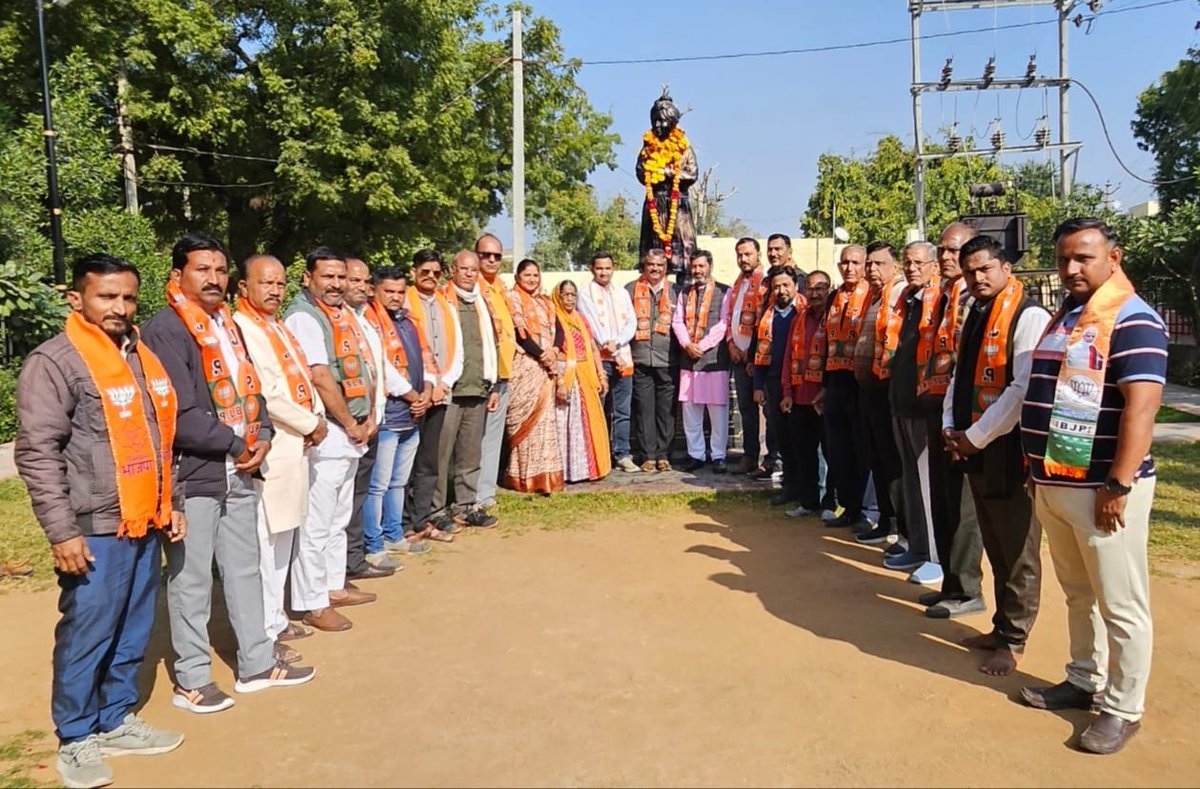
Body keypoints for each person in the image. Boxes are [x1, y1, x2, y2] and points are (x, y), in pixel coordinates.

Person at [17, 254, 186, 789]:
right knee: (88, 630)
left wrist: (172, 499)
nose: (119, 308)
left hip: (144, 518)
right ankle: (76, 737)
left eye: (128, 298)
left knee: (133, 627)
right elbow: (38, 452)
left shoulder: (139, 356)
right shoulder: (56, 362)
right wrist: (62, 531)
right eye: (106, 297)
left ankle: (115, 717)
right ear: (77, 299)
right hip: (92, 525)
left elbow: (161, 435)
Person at [143, 233, 313, 714]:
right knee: (192, 578)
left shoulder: (225, 326)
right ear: (177, 276)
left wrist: (261, 437)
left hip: (240, 468)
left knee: (244, 568)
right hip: (194, 474)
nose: (213, 278)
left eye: (220, 270)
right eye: (203, 269)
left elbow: (250, 388)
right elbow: (180, 412)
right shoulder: (167, 331)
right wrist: (239, 444)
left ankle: (257, 664)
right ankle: (192, 680)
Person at [1018, 218, 1168, 755]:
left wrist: (1119, 483)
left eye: (1083, 258)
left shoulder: (1133, 319)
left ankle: (1123, 707)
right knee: (1079, 594)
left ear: (1114, 257)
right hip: (1055, 482)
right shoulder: (1068, 317)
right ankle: (1083, 678)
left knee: (1121, 603)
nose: (1071, 269)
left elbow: (1142, 407)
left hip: (1103, 490)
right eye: (1063, 259)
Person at [942, 235, 1050, 675]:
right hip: (976, 443)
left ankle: (1015, 639)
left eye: (985, 269)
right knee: (994, 542)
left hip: (1010, 449)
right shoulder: (977, 312)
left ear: (1006, 268)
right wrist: (951, 424)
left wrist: (977, 436)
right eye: (970, 272)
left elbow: (1021, 390)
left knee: (1019, 547)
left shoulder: (1028, 315)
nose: (977, 277)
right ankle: (1001, 625)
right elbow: (959, 374)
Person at [233, 255, 328, 654]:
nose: (274, 290)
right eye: (265, 283)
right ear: (243, 288)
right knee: (267, 539)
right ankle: (267, 627)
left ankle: (276, 617)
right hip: (274, 445)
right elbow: (267, 393)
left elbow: (303, 380)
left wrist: (316, 418)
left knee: (285, 536)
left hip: (298, 444)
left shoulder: (276, 327)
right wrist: (311, 423)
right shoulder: (242, 328)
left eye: (279, 283)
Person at [283, 247, 378, 633]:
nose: (337, 284)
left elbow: (364, 367)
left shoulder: (340, 316)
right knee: (317, 522)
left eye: (341, 277)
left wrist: (369, 415)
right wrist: (349, 422)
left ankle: (333, 585)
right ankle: (311, 601)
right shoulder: (305, 317)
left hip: (352, 431)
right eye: (328, 277)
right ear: (308, 278)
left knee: (338, 517)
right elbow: (320, 377)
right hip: (330, 432)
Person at [917, 222, 985, 619]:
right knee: (943, 501)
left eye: (952, 250)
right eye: (941, 250)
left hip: (964, 413)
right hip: (938, 405)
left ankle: (968, 590)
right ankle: (950, 582)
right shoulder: (943, 295)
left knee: (962, 507)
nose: (945, 257)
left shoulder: (973, 298)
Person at [357, 266, 433, 564]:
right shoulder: (369, 322)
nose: (395, 297)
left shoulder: (407, 321)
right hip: (389, 414)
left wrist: (426, 391)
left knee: (399, 481)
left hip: (412, 415)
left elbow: (426, 359)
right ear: (375, 290)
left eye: (401, 292)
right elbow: (383, 368)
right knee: (378, 484)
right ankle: (374, 545)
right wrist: (414, 396)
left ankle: (394, 534)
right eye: (389, 291)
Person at [344, 256, 412, 576]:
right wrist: (411, 393)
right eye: (352, 280)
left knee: (385, 484)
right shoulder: (348, 319)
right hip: (357, 421)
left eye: (363, 281)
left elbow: (378, 368)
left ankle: (379, 541)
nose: (359, 286)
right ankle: (370, 547)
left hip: (380, 415)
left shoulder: (369, 320)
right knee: (372, 488)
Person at [881, 241, 943, 585]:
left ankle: (937, 556)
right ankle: (918, 546)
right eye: (908, 262)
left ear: (933, 266)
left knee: (928, 483)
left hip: (924, 406)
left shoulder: (940, 301)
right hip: (900, 402)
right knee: (911, 483)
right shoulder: (908, 301)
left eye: (919, 262)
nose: (912, 268)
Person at [432, 251, 502, 529]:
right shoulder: (442, 301)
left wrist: (494, 384)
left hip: (478, 387)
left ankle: (465, 506)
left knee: (470, 454)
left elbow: (493, 344)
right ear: (452, 270)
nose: (470, 274)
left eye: (474, 270)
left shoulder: (482, 303)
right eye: (465, 269)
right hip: (449, 389)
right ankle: (435, 510)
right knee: (440, 453)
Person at [809, 245, 871, 527]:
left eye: (855, 262)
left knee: (862, 450)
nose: (849, 268)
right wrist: (824, 385)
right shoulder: (834, 296)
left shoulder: (871, 294)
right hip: (835, 383)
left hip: (861, 385)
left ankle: (871, 512)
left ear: (865, 264)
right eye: (844, 262)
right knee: (838, 450)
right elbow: (825, 344)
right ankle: (848, 507)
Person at [404, 249, 462, 543]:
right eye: (424, 271)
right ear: (414, 271)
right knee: (405, 463)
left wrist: (444, 382)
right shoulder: (403, 301)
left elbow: (458, 349)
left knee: (429, 461)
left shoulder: (446, 305)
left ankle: (422, 520)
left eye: (436, 272)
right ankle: (402, 524)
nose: (430, 277)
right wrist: (426, 387)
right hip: (411, 396)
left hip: (441, 393)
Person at [505, 259, 565, 493]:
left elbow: (559, 330)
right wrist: (542, 355)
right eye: (527, 275)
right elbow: (521, 335)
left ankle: (546, 477)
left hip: (546, 369)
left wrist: (555, 351)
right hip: (525, 366)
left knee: (545, 423)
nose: (532, 279)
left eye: (535, 275)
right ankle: (523, 478)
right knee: (525, 423)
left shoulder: (546, 303)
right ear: (517, 277)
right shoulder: (512, 299)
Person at [781, 271, 837, 518]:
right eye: (811, 289)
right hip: (799, 397)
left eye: (820, 288)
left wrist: (828, 390)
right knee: (804, 454)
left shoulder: (836, 317)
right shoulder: (799, 319)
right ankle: (809, 502)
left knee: (831, 453)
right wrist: (787, 392)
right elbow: (787, 357)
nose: (815, 293)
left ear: (829, 289)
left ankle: (830, 504)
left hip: (825, 400)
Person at [577, 251, 639, 473]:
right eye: (599, 268)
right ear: (591, 269)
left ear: (613, 269)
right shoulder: (585, 294)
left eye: (607, 268)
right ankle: (599, 456)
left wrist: (618, 342)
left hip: (623, 356)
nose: (604, 272)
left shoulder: (621, 293)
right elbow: (591, 323)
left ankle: (622, 454)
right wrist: (607, 343)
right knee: (600, 408)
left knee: (623, 410)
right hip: (599, 359)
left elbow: (632, 322)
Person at [673, 250, 732, 473]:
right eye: (694, 266)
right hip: (688, 360)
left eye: (701, 266)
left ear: (710, 266)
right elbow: (677, 321)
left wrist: (703, 345)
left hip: (713, 360)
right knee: (691, 411)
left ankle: (718, 455)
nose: (697, 271)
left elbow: (724, 323)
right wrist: (687, 344)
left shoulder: (724, 291)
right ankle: (696, 454)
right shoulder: (684, 293)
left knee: (717, 412)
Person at [753, 265, 804, 505]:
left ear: (795, 286)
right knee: (781, 434)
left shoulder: (804, 312)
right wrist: (758, 385)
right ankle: (790, 486)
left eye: (786, 285)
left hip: (801, 381)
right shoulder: (768, 315)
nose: (781, 290)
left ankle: (810, 488)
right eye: (776, 286)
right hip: (774, 381)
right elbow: (759, 351)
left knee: (801, 437)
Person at [553, 280, 612, 482]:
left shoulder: (580, 319)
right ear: (558, 297)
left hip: (585, 377)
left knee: (586, 424)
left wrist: (601, 374)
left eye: (572, 295)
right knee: (564, 425)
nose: (569, 299)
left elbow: (593, 348)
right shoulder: (554, 318)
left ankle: (586, 470)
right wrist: (559, 380)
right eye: (565, 295)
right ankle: (563, 472)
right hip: (564, 377)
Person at [626, 249, 679, 471]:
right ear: (644, 266)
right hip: (640, 358)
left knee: (666, 410)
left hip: (668, 358)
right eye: (651, 265)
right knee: (644, 409)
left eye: (659, 265)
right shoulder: (630, 290)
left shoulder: (677, 291)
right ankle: (648, 455)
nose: (655, 269)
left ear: (665, 268)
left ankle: (663, 454)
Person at [475, 233, 518, 508]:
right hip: (480, 375)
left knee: (492, 437)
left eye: (497, 256)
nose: (491, 260)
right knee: (473, 439)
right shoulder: (472, 288)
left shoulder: (499, 288)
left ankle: (484, 494)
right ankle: (470, 494)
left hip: (502, 373)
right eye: (485, 255)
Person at [726, 237, 770, 477]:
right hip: (738, 357)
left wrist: (751, 354)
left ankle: (771, 459)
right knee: (746, 410)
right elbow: (731, 317)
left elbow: (763, 322)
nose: (743, 259)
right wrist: (731, 344)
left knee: (767, 410)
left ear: (758, 254)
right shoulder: (738, 283)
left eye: (747, 254)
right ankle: (750, 456)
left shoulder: (764, 282)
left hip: (758, 358)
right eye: (739, 255)